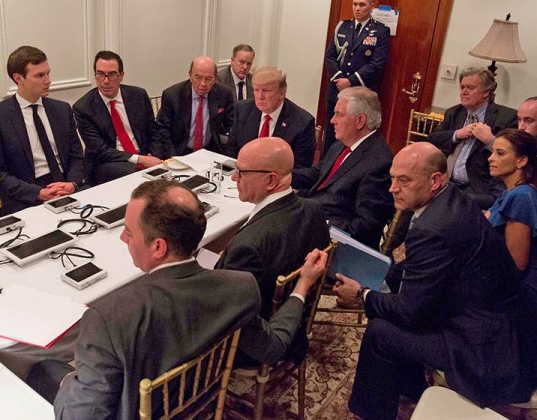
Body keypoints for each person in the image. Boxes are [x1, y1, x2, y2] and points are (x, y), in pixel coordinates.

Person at [38, 179, 328, 419]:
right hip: (202, 402)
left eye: (128, 232)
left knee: (42, 368)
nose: (123, 240)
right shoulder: (240, 288)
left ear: (159, 247)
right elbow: (272, 347)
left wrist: (67, 383)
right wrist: (301, 287)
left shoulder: (106, 317)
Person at [335, 143, 537, 420]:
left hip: (490, 352)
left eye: (404, 180)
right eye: (393, 178)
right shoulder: (450, 200)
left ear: (435, 180)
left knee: (380, 332)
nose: (392, 188)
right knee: (393, 311)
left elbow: (411, 313)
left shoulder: (433, 228)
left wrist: (362, 295)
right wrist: (384, 273)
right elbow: (425, 270)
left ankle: (370, 413)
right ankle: (412, 391)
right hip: (506, 329)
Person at [216, 137, 329, 319]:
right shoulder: (313, 209)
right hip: (295, 320)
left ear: (270, 180)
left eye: (241, 172)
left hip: (259, 337)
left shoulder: (247, 248)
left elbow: (225, 310)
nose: (233, 177)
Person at [0, 46, 85, 216]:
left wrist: (72, 183)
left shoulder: (62, 110)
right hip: (26, 197)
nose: (48, 80)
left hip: (66, 185)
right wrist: (37, 193)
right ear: (18, 78)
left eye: (48, 73)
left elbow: (77, 156)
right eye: (40, 75)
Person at [292, 87, 393, 249]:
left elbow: (366, 225)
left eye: (339, 114)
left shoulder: (379, 163)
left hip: (333, 243)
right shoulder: (341, 144)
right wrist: (284, 177)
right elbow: (318, 173)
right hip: (311, 217)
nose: (332, 120)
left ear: (360, 121)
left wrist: (319, 223)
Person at [428, 67, 518, 209]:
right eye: (462, 87)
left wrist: (490, 141)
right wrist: (457, 134)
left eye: (470, 88)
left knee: (451, 206)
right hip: (447, 181)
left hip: (478, 187)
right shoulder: (455, 112)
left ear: (486, 93)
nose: (464, 92)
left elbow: (513, 155)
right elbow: (433, 139)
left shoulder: (505, 117)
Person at [73, 51, 161, 184]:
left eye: (112, 74)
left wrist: (155, 155)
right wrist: (140, 160)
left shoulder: (138, 95)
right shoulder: (83, 108)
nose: (106, 81)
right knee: (137, 175)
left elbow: (153, 132)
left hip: (143, 154)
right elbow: (101, 150)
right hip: (108, 162)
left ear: (121, 76)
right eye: (100, 74)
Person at [486, 129, 537, 308]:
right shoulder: (511, 191)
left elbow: (516, 265)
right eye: (493, 152)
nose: (491, 158)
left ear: (521, 161)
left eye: (500, 153)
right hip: (499, 280)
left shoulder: (522, 196)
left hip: (515, 295)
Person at [323, 0, 390, 154]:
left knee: (356, 135)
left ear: (372, 6)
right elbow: (330, 56)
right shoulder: (342, 27)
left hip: (361, 93)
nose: (357, 9)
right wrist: (340, 78)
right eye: (355, 4)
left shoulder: (380, 31)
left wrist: (350, 81)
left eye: (362, 5)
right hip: (337, 90)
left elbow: (377, 64)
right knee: (332, 134)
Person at [226, 66, 315, 168]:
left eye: (266, 90)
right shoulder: (242, 110)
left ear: (282, 93)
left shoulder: (302, 123)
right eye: (256, 90)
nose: (260, 96)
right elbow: (231, 151)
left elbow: (301, 168)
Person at [152, 56, 234, 158]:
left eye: (209, 79)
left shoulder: (224, 93)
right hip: (181, 152)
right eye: (198, 78)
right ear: (190, 75)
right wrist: (172, 158)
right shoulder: (173, 95)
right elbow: (162, 129)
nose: (203, 84)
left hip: (211, 151)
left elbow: (231, 125)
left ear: (215, 78)